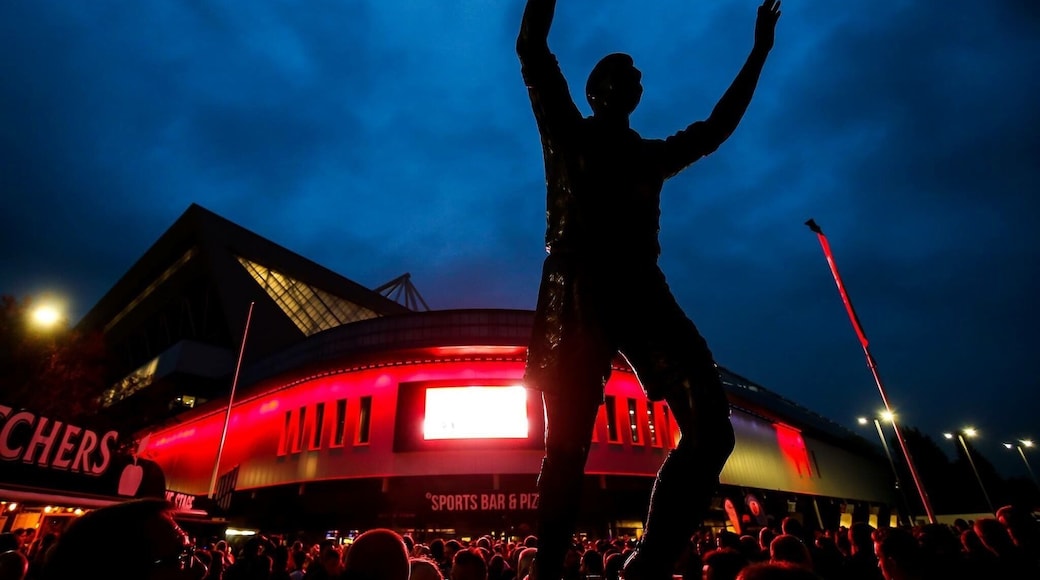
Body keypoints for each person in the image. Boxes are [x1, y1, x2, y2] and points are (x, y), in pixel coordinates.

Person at [515, 1, 781, 579]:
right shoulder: (566, 132)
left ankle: (648, 563)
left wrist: (759, 49)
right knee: (565, 450)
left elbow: (716, 128)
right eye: (620, 73)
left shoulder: (649, 155)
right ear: (594, 90)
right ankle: (547, 572)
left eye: (637, 77)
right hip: (577, 293)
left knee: (712, 431)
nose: (633, 80)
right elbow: (532, 49)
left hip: (641, 291)